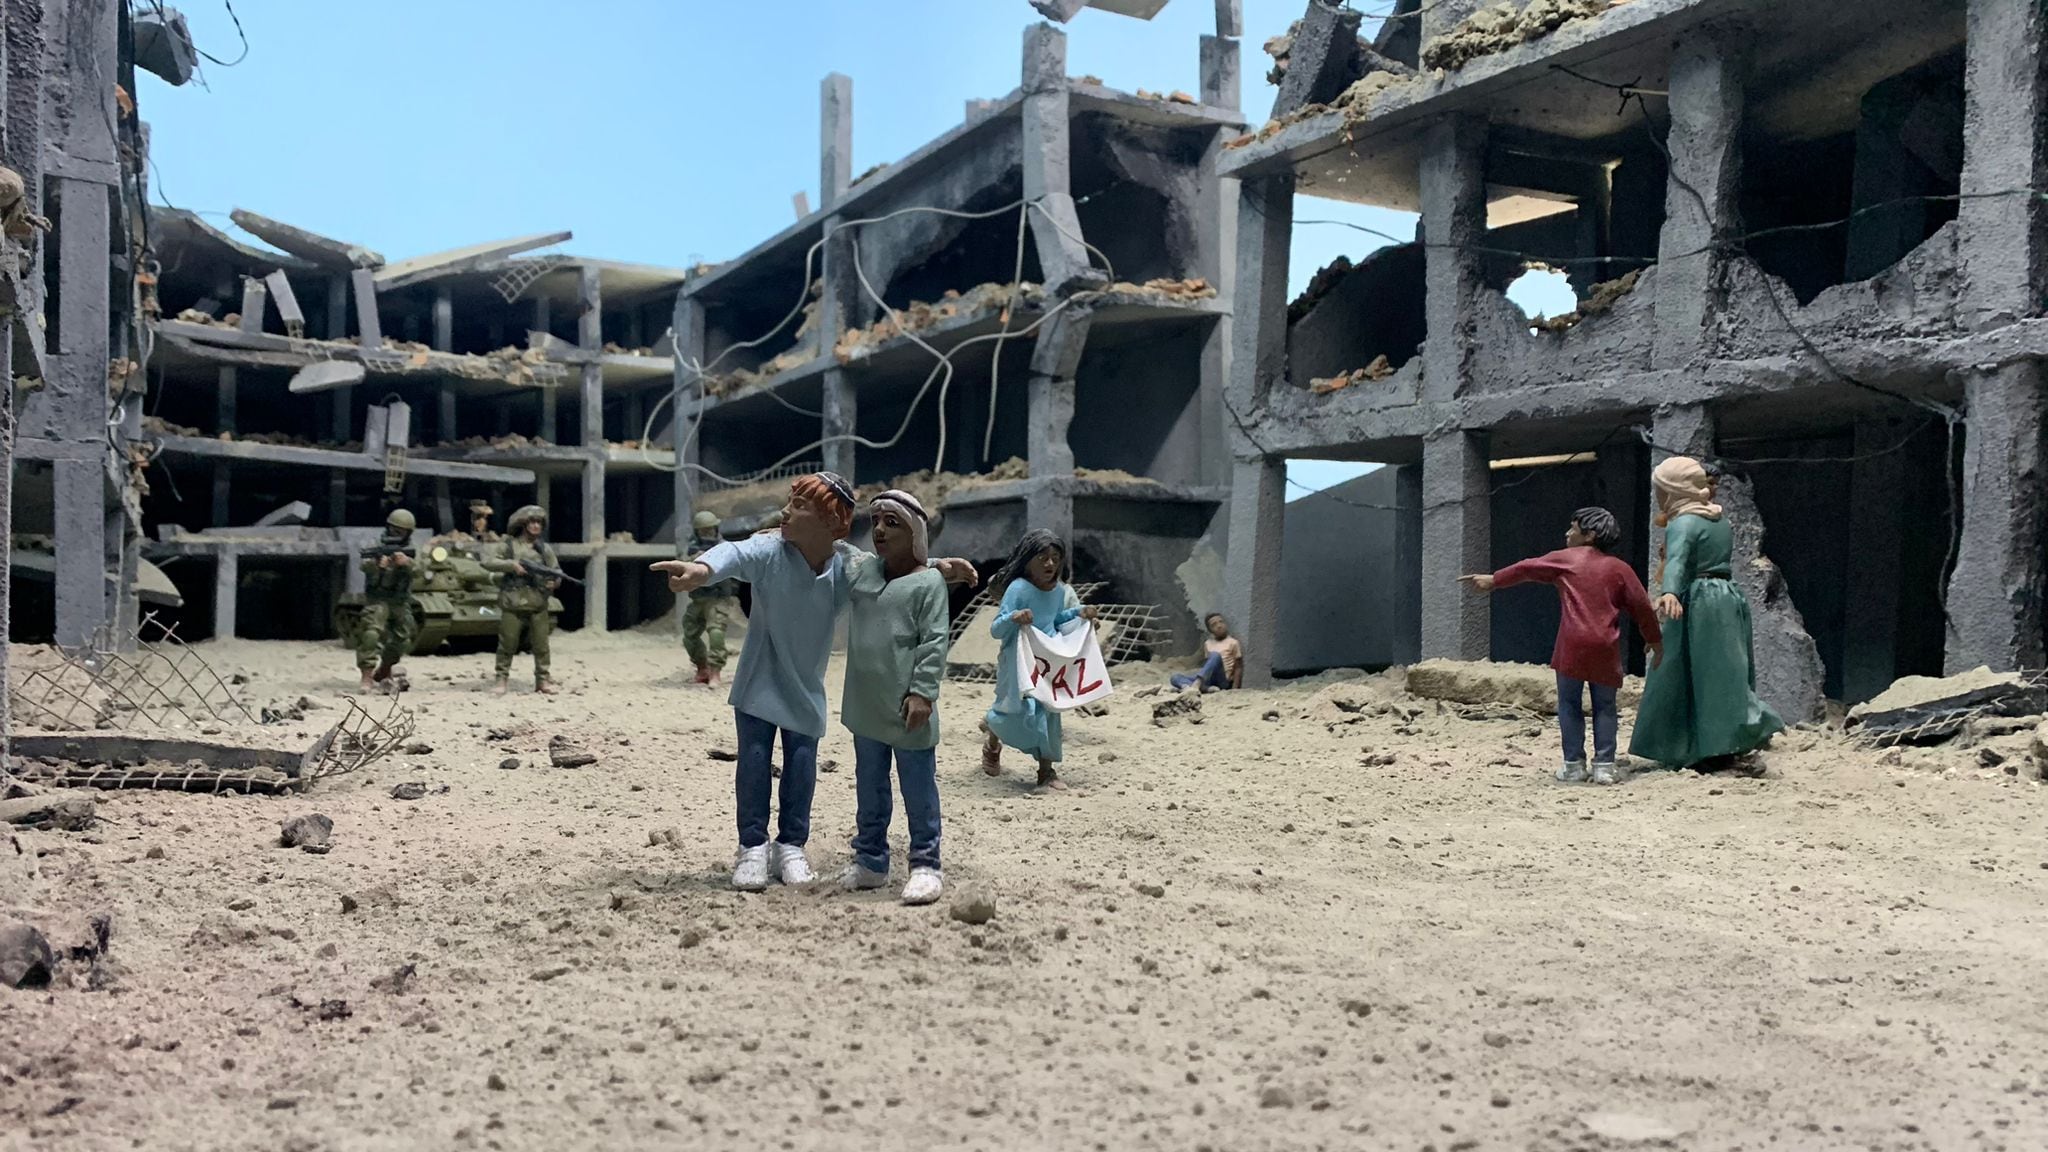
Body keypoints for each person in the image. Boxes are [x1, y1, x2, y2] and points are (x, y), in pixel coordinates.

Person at [650, 472, 976, 893]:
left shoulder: (847, 567)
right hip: (759, 681)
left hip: (806, 685)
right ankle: (752, 846)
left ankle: (791, 845)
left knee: (801, 766)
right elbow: (735, 552)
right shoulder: (769, 551)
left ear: (833, 522)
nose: (786, 512)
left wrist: (936, 566)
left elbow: (895, 570)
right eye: (792, 502)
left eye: (800, 506)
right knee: (753, 762)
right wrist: (701, 569)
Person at [1459, 506, 1662, 785]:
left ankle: (1573, 764)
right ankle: (1604, 765)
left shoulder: (1565, 560)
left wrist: (1494, 580)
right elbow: (1642, 607)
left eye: (1573, 528)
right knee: (1605, 706)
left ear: (1589, 535)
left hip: (1572, 645)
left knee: (1569, 703)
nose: (1567, 532)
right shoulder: (1620, 569)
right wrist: (1654, 638)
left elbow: (1527, 567)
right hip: (1605, 645)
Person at [1629, 458, 1785, 772]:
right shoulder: (1718, 520)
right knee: (1713, 672)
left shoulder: (1683, 523)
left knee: (1706, 674)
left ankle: (1714, 739)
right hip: (1723, 597)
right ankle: (1710, 744)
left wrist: (1670, 590)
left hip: (1699, 602)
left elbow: (1678, 559)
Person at [838, 490, 950, 905]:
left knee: (917, 788)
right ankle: (870, 859)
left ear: (915, 532)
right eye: (876, 521)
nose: (880, 530)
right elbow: (835, 549)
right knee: (869, 785)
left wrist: (923, 692)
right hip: (865, 704)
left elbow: (935, 641)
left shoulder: (929, 583)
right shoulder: (864, 572)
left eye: (892, 523)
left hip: (907, 709)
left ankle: (925, 863)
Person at [981, 529, 1097, 791]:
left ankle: (1046, 770)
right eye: (1043, 558)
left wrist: (1080, 614)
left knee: (1049, 712)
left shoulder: (1059, 591)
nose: (1050, 564)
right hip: (1018, 659)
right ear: (1028, 560)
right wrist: (1014, 617)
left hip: (1047, 660)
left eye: (1055, 558)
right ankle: (992, 738)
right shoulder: (1018, 589)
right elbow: (996, 629)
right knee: (1012, 711)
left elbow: (1055, 620)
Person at [482, 504, 561, 695]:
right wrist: (511, 565)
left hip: (537, 601)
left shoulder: (544, 549)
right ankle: (501, 679)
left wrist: (555, 582)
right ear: (523, 524)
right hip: (513, 600)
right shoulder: (508, 546)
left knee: (541, 645)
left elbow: (556, 571)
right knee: (507, 643)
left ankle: (542, 680)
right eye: (532, 522)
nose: (536, 526)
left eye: (539, 523)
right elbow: (488, 562)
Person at [356, 508, 418, 692]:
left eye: (401, 531)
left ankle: (384, 670)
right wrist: (377, 566)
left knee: (403, 639)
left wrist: (406, 563)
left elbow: (422, 570)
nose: (396, 533)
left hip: (399, 601)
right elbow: (363, 565)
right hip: (378, 599)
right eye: (394, 529)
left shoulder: (410, 549)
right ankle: (366, 677)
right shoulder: (376, 544)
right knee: (371, 634)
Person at [681, 510, 737, 687]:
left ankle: (715, 671)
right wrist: (693, 560)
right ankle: (701, 667)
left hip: (717, 598)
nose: (708, 534)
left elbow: (732, 566)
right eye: (703, 531)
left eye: (710, 530)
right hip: (699, 598)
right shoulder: (692, 548)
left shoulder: (724, 547)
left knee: (716, 633)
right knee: (689, 635)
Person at [1172, 613, 1243, 693]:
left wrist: (1235, 688)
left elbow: (1238, 667)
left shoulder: (1233, 642)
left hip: (1222, 681)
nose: (1219, 626)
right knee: (1175, 677)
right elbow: (1209, 666)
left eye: (1221, 622)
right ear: (1210, 630)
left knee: (1215, 655)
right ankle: (1204, 688)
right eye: (1214, 625)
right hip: (1208, 680)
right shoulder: (1208, 643)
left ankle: (1195, 685)